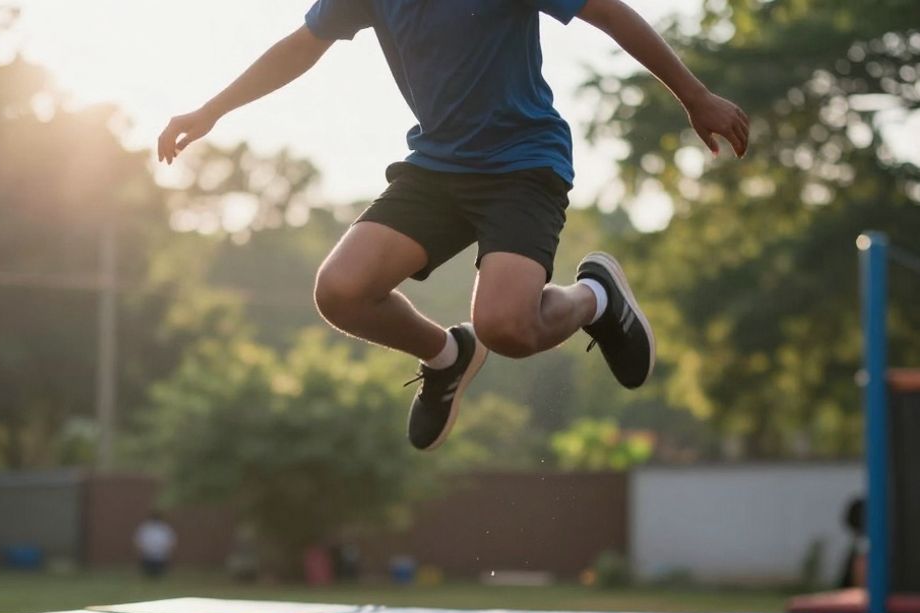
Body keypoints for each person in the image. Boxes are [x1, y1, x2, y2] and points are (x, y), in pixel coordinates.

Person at [158, 0, 750, 450]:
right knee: (340, 291)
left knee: (508, 329)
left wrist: (694, 96)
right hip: (437, 169)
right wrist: (211, 110)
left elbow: (608, 13)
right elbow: (302, 46)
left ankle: (596, 297)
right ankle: (447, 357)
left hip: (523, 163)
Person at [134, 511, 177, 578]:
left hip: (160, 555)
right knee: (148, 573)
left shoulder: (164, 528)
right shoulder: (146, 528)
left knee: (159, 573)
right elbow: (140, 540)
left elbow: (169, 541)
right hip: (148, 554)